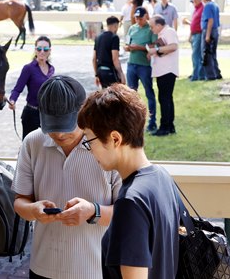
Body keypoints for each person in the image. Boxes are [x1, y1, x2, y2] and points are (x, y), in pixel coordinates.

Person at [12, 75, 121, 279]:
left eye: (67, 125)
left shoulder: (108, 146)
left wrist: (93, 211)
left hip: (97, 269)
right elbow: (20, 202)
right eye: (53, 128)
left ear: (84, 112)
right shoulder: (33, 143)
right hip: (43, 266)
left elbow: (127, 213)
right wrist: (34, 211)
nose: (60, 135)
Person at [77, 83, 180, 279]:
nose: (90, 152)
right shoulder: (162, 177)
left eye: (89, 141)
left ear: (115, 139)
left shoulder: (129, 203)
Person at [8, 36, 55, 139]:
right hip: (31, 115)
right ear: (35, 50)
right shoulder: (28, 68)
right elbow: (17, 89)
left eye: (45, 49)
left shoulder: (52, 69)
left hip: (47, 116)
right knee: (29, 149)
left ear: (49, 51)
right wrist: (12, 100)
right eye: (39, 49)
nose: (42, 51)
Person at [124, 7, 157, 133]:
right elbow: (127, 42)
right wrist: (127, 47)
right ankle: (133, 121)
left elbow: (154, 46)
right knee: (131, 94)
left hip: (144, 65)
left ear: (146, 16)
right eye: (136, 18)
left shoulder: (151, 29)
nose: (138, 20)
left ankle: (152, 121)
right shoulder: (133, 28)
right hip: (132, 64)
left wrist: (140, 47)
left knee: (149, 93)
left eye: (140, 18)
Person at [148, 15, 179, 136]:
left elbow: (173, 46)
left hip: (167, 71)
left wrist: (156, 50)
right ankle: (170, 126)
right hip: (163, 71)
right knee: (166, 99)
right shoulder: (162, 34)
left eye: (152, 26)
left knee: (164, 99)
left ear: (159, 25)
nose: (151, 29)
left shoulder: (169, 31)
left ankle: (165, 127)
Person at [92, 16, 126, 88]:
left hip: (100, 71)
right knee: (115, 95)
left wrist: (96, 75)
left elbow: (94, 59)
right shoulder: (114, 37)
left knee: (105, 94)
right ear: (115, 25)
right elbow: (115, 58)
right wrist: (121, 74)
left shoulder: (98, 37)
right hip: (110, 71)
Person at [183, 0, 205, 81]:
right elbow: (194, 24)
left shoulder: (202, 8)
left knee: (196, 55)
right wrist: (190, 35)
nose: (195, 0)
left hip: (199, 34)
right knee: (195, 55)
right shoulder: (196, 9)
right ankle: (196, 73)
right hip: (194, 34)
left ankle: (197, 75)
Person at [201, 0, 223, 80]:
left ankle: (210, 75)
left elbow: (210, 20)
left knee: (207, 53)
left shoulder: (208, 6)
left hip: (209, 30)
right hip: (215, 30)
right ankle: (217, 73)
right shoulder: (215, 5)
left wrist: (207, 35)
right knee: (213, 53)